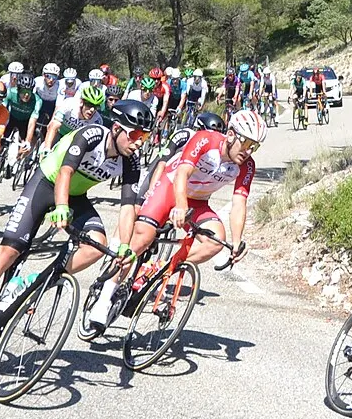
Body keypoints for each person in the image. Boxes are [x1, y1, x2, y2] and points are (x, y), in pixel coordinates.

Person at [0, 98, 156, 352]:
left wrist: (124, 245)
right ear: (117, 129)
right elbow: (65, 172)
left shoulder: (130, 160)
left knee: (97, 245)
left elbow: (127, 207)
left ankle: (36, 280)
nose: (138, 142)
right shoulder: (91, 135)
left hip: (76, 197)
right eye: (134, 134)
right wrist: (61, 206)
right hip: (45, 184)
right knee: (9, 251)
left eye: (143, 136)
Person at [89, 108, 261, 326]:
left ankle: (161, 269)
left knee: (215, 240)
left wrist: (237, 242)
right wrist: (180, 206)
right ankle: (104, 299)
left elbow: (239, 202)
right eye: (245, 143)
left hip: (198, 201)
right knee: (143, 238)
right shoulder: (205, 139)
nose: (248, 151)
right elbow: (181, 174)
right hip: (169, 188)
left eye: (254, 146)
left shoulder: (247, 165)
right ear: (231, 134)